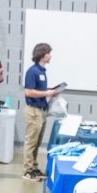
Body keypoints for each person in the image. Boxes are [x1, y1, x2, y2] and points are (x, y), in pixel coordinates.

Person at [22, 42, 57, 181]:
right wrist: (47, 93)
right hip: (33, 111)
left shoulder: (42, 71)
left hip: (41, 111)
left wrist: (50, 92)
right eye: (49, 53)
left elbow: (40, 91)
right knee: (31, 142)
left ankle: (34, 167)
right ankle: (27, 170)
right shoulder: (33, 71)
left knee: (37, 142)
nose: (50, 56)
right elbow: (29, 92)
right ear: (43, 55)